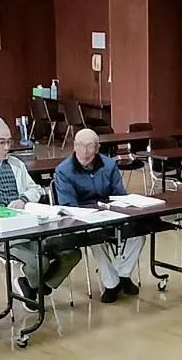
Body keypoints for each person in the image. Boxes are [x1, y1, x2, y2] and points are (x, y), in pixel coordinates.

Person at [0, 117, 82, 305]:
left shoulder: (16, 164)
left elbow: (35, 189)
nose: (7, 147)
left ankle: (32, 285)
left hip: (24, 225)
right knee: (39, 262)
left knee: (72, 253)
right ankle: (36, 283)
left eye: (9, 141)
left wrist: (23, 199)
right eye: (1, 142)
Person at [54, 128, 144, 303]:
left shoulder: (109, 165)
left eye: (90, 146)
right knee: (96, 238)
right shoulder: (63, 170)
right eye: (80, 145)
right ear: (74, 146)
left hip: (111, 213)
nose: (84, 151)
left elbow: (119, 194)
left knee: (139, 232)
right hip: (83, 219)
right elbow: (68, 205)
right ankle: (111, 283)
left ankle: (122, 275)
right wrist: (92, 214)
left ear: (97, 148)